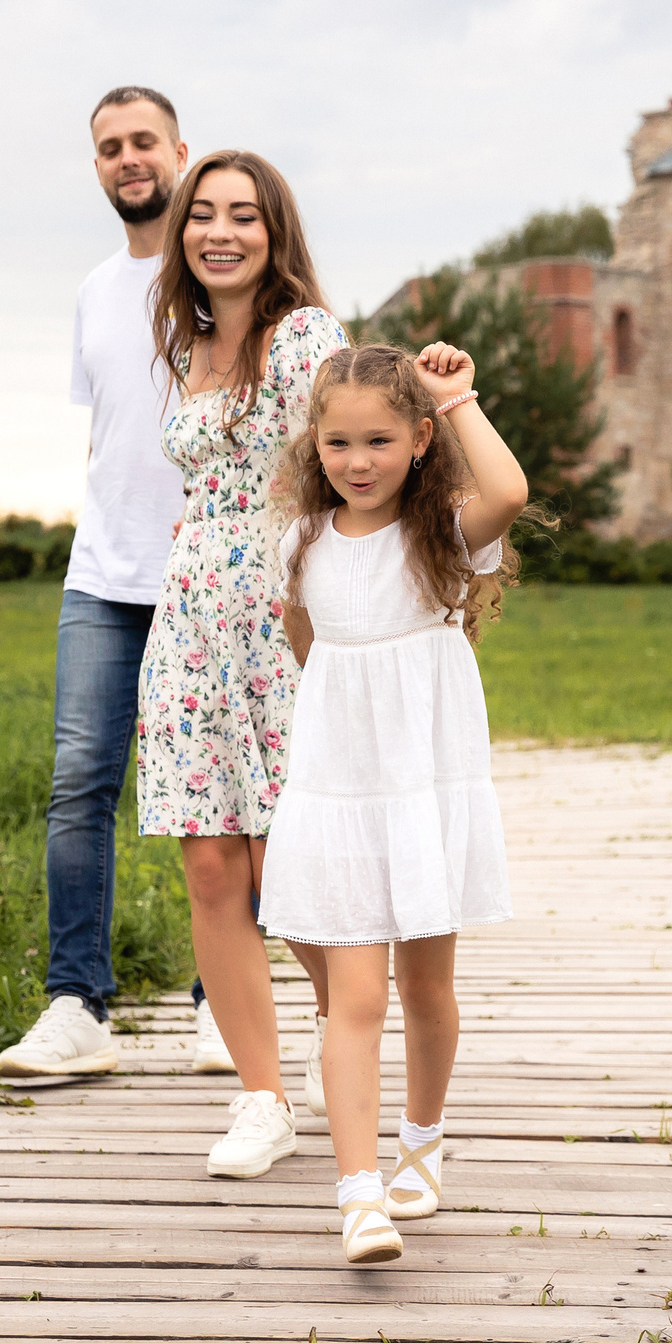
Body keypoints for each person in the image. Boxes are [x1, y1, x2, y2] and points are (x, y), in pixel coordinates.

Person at [256, 341, 535, 1264]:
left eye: (379, 440)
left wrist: (459, 399)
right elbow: (309, 639)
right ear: (316, 445)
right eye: (338, 443)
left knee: (425, 986)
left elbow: (510, 492)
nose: (358, 461)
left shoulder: (441, 530)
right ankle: (358, 1193)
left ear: (417, 439)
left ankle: (422, 1138)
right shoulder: (300, 540)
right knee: (355, 999)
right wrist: (340, 739)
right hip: (339, 788)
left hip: (421, 786)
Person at [0, 86, 243, 1079]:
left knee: (219, 792)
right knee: (77, 788)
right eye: (108, 147)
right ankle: (76, 1009)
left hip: (212, 577)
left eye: (143, 141)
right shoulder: (96, 292)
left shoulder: (230, 276)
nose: (127, 159)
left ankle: (226, 1003)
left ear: (179, 150)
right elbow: (109, 434)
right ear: (97, 167)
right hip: (102, 578)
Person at [137, 148, 348, 1178]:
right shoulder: (186, 345)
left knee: (287, 859)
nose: (221, 232)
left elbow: (354, 457)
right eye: (202, 215)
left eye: (244, 216)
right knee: (211, 862)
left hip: (283, 612)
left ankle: (337, 1030)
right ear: (181, 235)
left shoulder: (304, 337)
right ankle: (259, 1099)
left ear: (275, 234)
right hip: (190, 618)